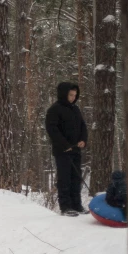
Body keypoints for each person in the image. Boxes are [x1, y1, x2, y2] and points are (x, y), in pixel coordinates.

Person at [45, 82, 89, 216]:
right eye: (70, 95)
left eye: (75, 95)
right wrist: (65, 145)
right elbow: (52, 129)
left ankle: (77, 205)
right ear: (64, 94)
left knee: (76, 177)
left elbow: (83, 126)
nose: (73, 98)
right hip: (63, 151)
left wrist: (83, 140)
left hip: (76, 149)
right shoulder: (55, 109)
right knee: (64, 178)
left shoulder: (75, 109)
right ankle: (66, 207)